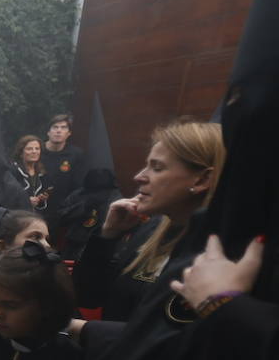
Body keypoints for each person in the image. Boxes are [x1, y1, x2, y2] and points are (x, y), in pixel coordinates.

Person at [72, 119, 223, 321]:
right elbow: (87, 296)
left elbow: (171, 335)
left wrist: (85, 330)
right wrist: (107, 236)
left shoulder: (220, 252)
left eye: (157, 168)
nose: (139, 177)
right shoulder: (150, 229)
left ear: (203, 180)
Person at [41, 114, 83, 212]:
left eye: (63, 127)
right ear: (48, 132)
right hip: (38, 207)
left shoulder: (76, 154)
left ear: (69, 133)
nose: (58, 131)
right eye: (55, 127)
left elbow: (79, 185)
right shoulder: (37, 151)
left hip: (64, 208)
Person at [12, 134, 50, 211]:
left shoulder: (42, 172)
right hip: (17, 215)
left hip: (34, 216)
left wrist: (41, 200)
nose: (34, 151)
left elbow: (40, 204)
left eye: (37, 149)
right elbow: (7, 198)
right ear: (21, 153)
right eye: (29, 149)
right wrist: (26, 201)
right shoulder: (12, 171)